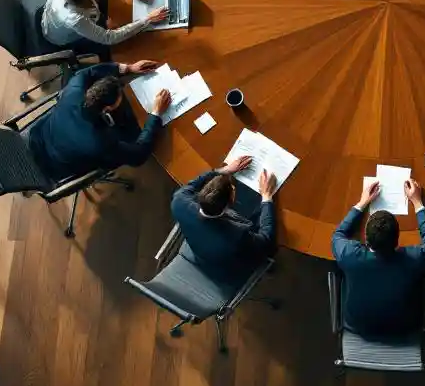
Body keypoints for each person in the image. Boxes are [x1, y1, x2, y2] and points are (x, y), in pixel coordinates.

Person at [331, 178, 425, 337]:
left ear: (366, 240)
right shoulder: (414, 259)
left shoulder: (349, 255)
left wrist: (361, 203)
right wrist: (417, 203)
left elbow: (338, 235)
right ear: (397, 241)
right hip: (405, 329)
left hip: (358, 327)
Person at [28, 60, 169, 180]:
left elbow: (86, 73)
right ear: (107, 109)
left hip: (37, 135)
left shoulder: (74, 88)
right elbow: (139, 155)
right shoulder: (101, 142)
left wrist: (128, 68)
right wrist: (155, 113)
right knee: (133, 134)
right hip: (52, 166)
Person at [171, 158, 277, 286]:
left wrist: (224, 170)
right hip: (226, 274)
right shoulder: (238, 235)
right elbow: (266, 238)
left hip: (200, 251)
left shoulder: (179, 201)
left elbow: (193, 184)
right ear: (232, 198)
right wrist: (266, 197)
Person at [40, 0, 170, 58]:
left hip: (55, 15)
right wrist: (147, 19)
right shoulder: (75, 19)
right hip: (60, 35)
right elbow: (109, 38)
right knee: (117, 50)